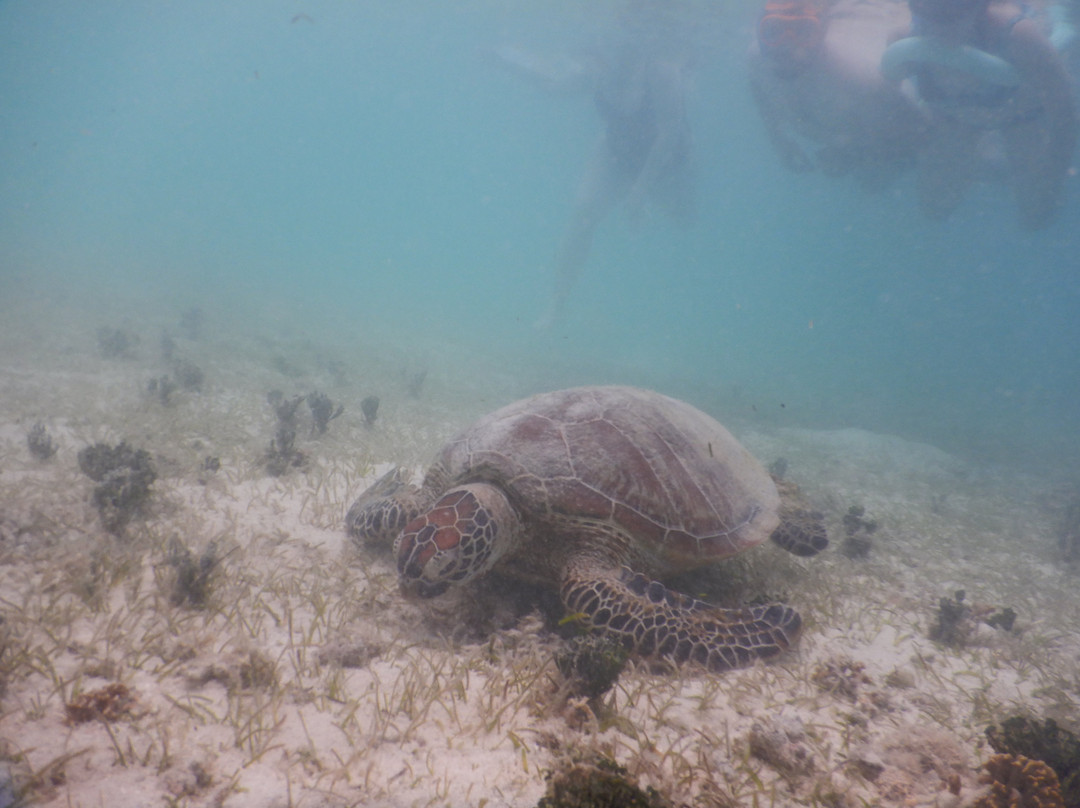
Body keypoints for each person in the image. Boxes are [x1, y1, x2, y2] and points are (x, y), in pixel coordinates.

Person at [496, 2, 697, 329]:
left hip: (670, 161)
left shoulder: (663, 72)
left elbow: (670, 135)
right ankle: (556, 305)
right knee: (582, 213)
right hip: (615, 151)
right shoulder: (597, 66)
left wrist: (640, 191)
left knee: (684, 221)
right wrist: (509, 64)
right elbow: (556, 87)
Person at [883, 0, 1077, 227]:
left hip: (1023, 116)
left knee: (1036, 212)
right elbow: (892, 101)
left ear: (980, 7)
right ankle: (987, 157)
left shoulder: (1017, 34)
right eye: (926, 10)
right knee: (934, 207)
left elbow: (1065, 112)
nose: (938, 26)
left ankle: (994, 161)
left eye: (950, 12)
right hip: (955, 116)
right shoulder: (903, 38)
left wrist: (1055, 170)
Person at [748, 0, 929, 189]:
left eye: (804, 31)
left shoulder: (860, 75)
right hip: (849, 136)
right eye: (773, 30)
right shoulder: (755, 60)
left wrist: (852, 154)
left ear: (823, 33)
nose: (787, 46)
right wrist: (779, 141)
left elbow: (918, 123)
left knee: (873, 185)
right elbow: (758, 90)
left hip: (883, 143)